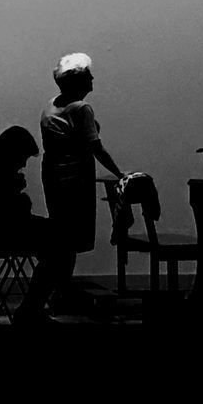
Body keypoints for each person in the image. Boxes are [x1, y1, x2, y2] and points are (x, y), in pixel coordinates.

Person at [40, 53, 125, 310]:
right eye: (88, 75)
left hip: (53, 178)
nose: (92, 78)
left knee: (61, 237)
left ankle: (58, 291)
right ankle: (60, 294)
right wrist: (120, 174)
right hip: (76, 180)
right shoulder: (81, 108)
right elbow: (95, 148)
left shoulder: (50, 106)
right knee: (71, 239)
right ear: (79, 81)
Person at [0, 126, 70, 325]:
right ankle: (33, 306)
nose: (23, 164)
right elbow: (10, 213)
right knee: (60, 242)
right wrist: (20, 195)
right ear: (13, 152)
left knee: (55, 239)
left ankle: (34, 305)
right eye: (24, 158)